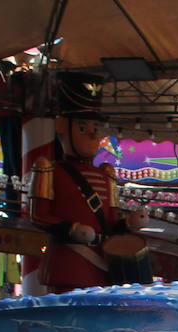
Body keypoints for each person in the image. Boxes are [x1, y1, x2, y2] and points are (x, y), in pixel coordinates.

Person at [29, 75, 149, 293]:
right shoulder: (48, 169)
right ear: (62, 126)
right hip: (67, 263)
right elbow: (39, 215)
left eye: (97, 127)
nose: (94, 135)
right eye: (83, 128)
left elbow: (110, 221)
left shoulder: (106, 173)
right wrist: (72, 229)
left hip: (101, 265)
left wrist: (128, 223)